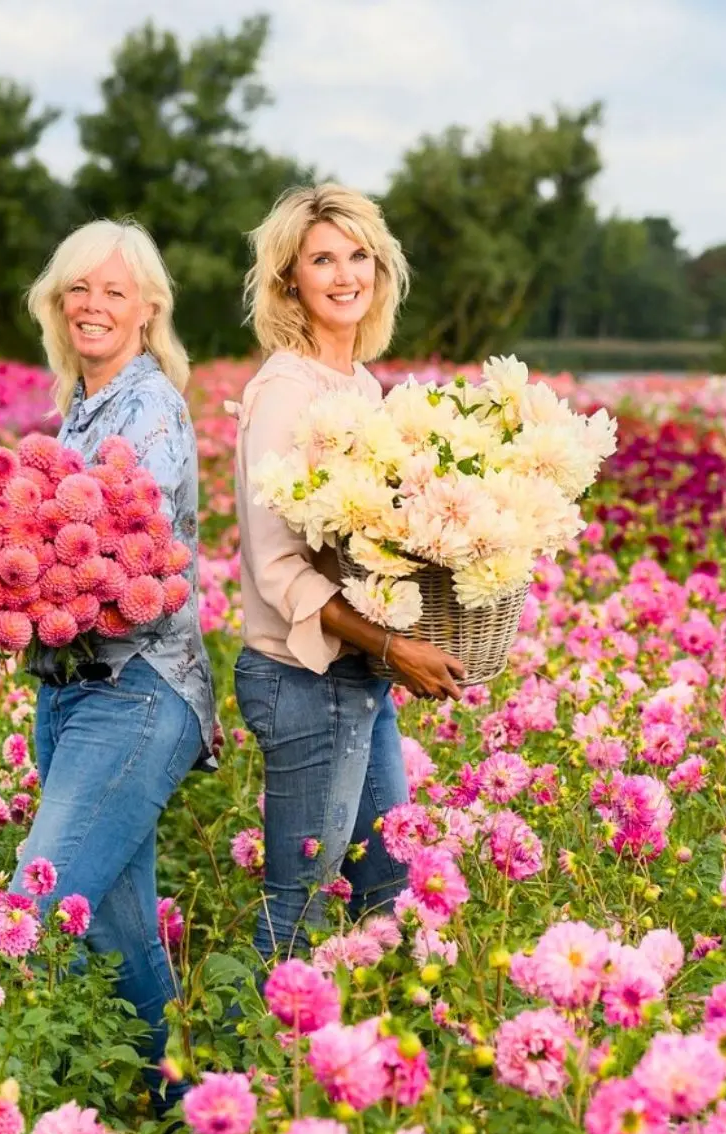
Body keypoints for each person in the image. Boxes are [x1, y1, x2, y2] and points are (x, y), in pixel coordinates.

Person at [15, 219, 216, 1113]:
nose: (92, 305)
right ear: (58, 305)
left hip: (135, 694)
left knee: (29, 912)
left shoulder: (148, 407)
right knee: (123, 936)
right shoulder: (84, 405)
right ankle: (193, 1124)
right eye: (77, 290)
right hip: (70, 694)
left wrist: (41, 573)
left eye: (114, 291)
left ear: (148, 308)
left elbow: (140, 557)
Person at [234, 184, 465, 961]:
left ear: (380, 267)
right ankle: (253, 1066)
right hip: (301, 674)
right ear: (288, 280)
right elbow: (276, 568)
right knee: (298, 903)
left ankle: (373, 1056)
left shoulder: (363, 388)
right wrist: (396, 649)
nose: (344, 274)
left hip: (357, 669)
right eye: (321, 259)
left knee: (387, 885)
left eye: (358, 255)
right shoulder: (284, 393)